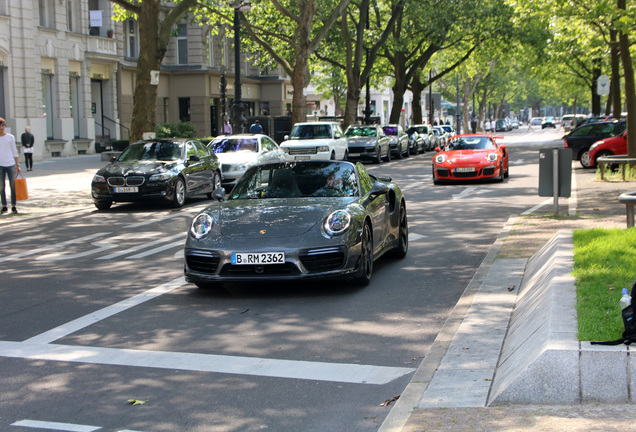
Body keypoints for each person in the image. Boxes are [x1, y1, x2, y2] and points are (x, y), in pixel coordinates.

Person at [0, 117, 21, 214]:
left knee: (13, 185)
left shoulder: (10, 137)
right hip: (0, 165)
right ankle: (4, 206)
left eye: (3, 125)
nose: (1, 128)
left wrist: (17, 164)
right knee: (1, 186)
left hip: (11, 164)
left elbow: (14, 151)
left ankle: (13, 205)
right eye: (0, 126)